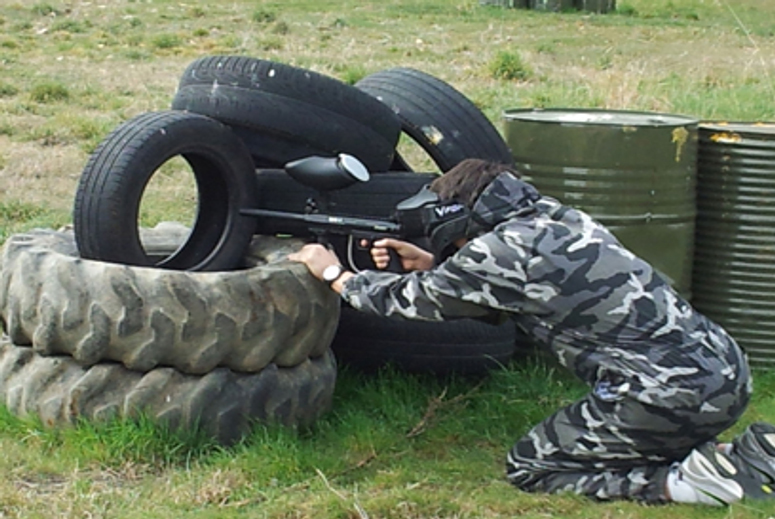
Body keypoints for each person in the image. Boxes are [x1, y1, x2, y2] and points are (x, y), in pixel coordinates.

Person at [288, 158, 775, 506]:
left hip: (665, 394)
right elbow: (525, 289)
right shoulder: (561, 219)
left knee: (532, 467)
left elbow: (404, 302)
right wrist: (437, 264)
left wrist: (333, 273)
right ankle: (738, 452)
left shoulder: (495, 253)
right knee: (619, 435)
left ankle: (690, 483)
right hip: (725, 373)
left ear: (461, 217)